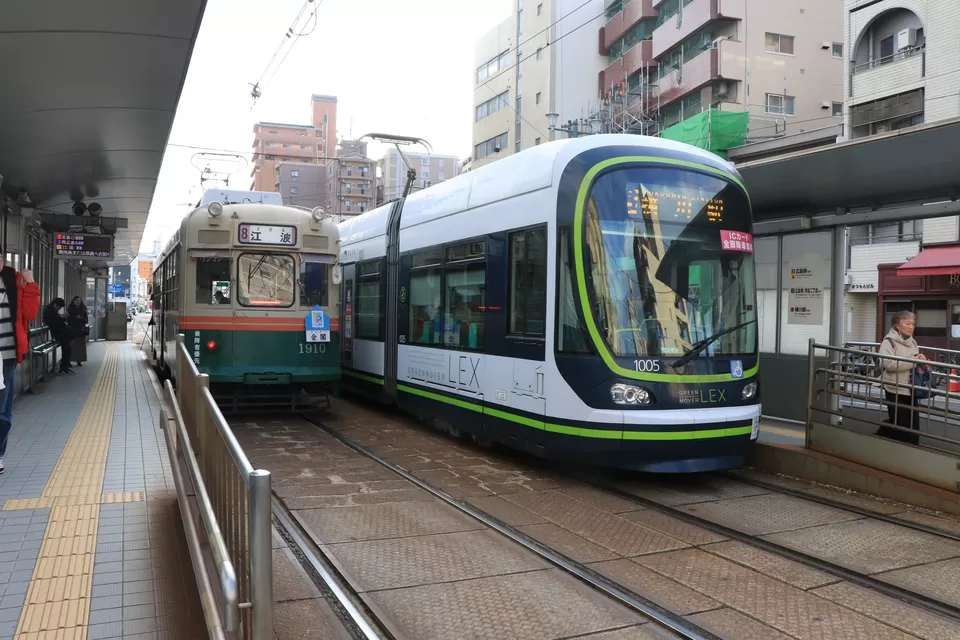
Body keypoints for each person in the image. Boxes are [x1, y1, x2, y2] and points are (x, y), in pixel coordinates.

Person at [0, 261, 40, 474]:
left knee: (3, 409)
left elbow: (30, 313)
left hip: (6, 355)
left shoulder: (14, 281)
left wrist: (31, 282)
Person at [878, 310, 928, 445]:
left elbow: (915, 361)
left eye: (913, 324)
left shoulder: (913, 342)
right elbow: (888, 363)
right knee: (899, 420)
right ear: (897, 325)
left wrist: (920, 359)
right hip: (894, 387)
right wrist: (912, 361)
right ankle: (895, 446)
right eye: (908, 323)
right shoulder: (889, 342)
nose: (911, 327)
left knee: (913, 420)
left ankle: (912, 446)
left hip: (911, 387)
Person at [43, 298, 74, 375]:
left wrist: (61, 317)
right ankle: (64, 367)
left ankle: (64, 366)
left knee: (67, 348)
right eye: (59, 307)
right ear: (55, 304)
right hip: (58, 334)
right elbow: (53, 322)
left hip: (60, 333)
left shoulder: (52, 310)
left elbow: (56, 320)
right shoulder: (48, 311)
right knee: (67, 348)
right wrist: (61, 317)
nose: (59, 309)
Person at [66, 296, 88, 367]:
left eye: (79, 300)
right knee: (71, 346)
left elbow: (86, 320)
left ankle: (79, 360)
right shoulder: (70, 309)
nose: (77, 301)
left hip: (80, 330)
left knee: (80, 346)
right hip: (72, 330)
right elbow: (68, 320)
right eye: (76, 300)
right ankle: (69, 361)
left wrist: (81, 318)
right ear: (73, 301)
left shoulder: (83, 309)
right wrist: (75, 318)